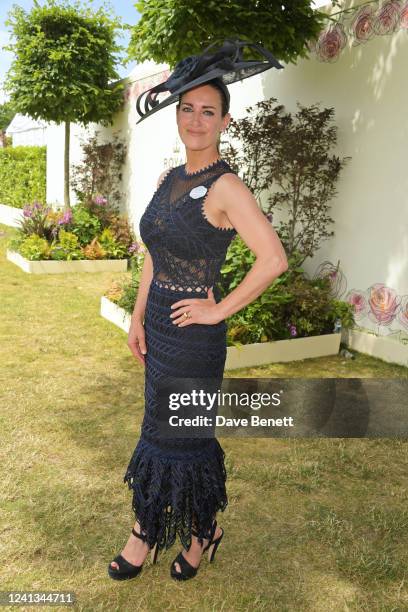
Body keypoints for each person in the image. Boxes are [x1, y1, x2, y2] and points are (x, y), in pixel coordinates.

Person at [108, 38, 288, 582]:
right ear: (178, 114)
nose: (196, 119)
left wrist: (218, 312)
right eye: (187, 108)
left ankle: (191, 532)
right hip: (159, 329)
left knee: (183, 434)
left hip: (195, 336)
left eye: (208, 111)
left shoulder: (226, 186)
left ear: (225, 122)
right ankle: (152, 530)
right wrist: (138, 317)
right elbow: (153, 256)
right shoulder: (169, 179)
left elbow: (273, 259)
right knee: (157, 428)